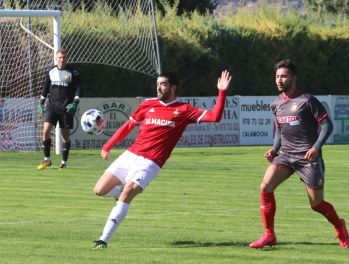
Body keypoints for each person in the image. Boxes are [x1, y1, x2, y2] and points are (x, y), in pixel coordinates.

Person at [92, 70, 232, 249]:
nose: (159, 87)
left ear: (173, 87)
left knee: (128, 192)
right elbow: (128, 126)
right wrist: (107, 146)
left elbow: (215, 116)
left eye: (163, 84)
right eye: (158, 84)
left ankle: (103, 240)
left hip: (150, 163)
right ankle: (119, 196)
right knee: (99, 190)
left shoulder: (183, 110)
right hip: (130, 155)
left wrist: (222, 91)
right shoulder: (147, 104)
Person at [249, 59, 349, 249]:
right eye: (277, 76)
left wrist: (316, 147)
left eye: (284, 76)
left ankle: (340, 226)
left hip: (307, 158)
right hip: (286, 155)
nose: (279, 80)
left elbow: (327, 124)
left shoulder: (307, 100)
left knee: (316, 204)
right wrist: (274, 149)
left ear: (294, 77)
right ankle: (269, 235)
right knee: (265, 187)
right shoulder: (276, 104)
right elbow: (279, 130)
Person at [37, 49, 81, 170]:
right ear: (56, 58)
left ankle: (64, 163)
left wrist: (75, 102)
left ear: (67, 58)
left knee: (65, 136)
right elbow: (45, 87)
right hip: (52, 106)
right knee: (45, 131)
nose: (62, 60)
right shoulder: (51, 70)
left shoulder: (73, 71)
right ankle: (47, 160)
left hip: (66, 108)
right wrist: (41, 102)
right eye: (60, 58)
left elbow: (78, 88)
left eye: (64, 57)